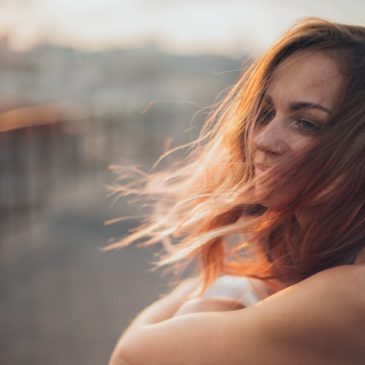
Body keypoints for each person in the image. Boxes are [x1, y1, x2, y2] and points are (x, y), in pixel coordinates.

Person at [108, 17, 365, 364]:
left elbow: (131, 355)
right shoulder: (330, 266)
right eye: (267, 112)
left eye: (306, 123)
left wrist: (211, 289)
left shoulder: (353, 293)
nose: (262, 140)